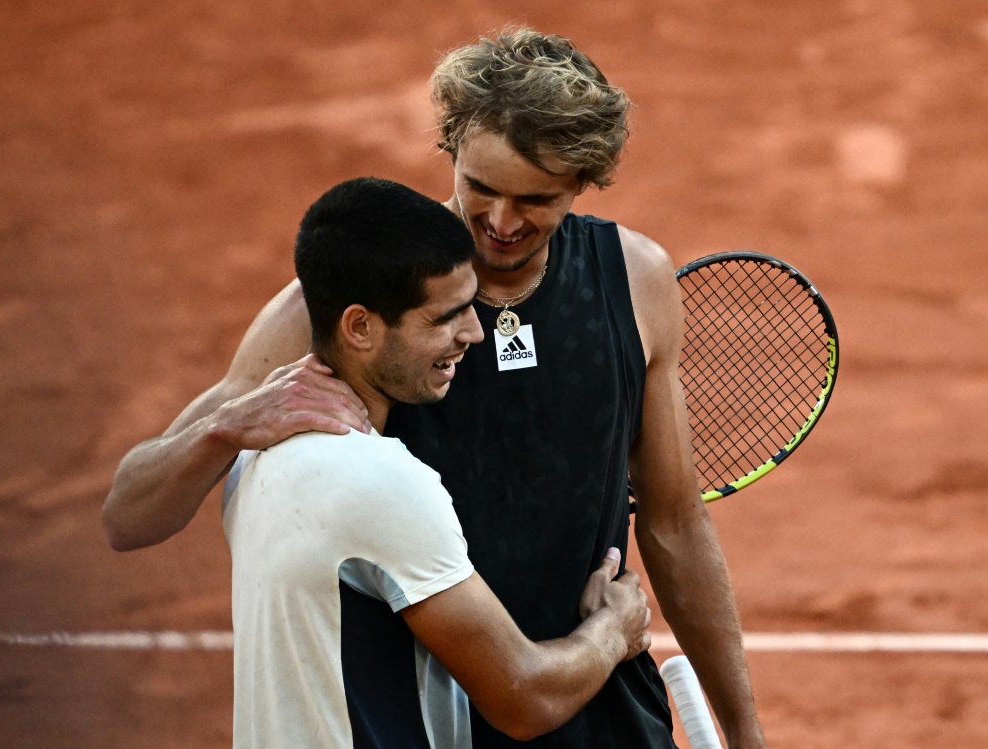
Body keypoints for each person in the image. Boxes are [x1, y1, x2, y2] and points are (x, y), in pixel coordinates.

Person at [103, 28, 767, 748]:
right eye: (481, 188)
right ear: (451, 150)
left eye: (536, 199)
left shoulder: (635, 282)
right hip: (437, 718)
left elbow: (673, 520)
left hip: (597, 697)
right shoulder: (355, 302)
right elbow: (129, 516)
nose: (502, 222)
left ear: (583, 182)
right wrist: (226, 422)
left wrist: (746, 733)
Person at [224, 176, 652, 747]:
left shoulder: (252, 456)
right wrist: (613, 629)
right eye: (444, 317)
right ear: (360, 327)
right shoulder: (384, 486)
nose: (474, 332)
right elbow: (525, 697)